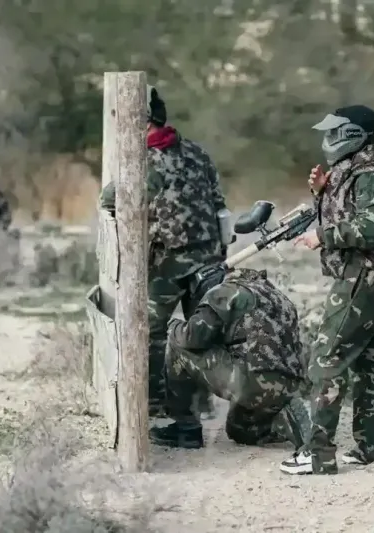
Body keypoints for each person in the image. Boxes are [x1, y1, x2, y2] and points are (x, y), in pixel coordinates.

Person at [278, 105, 374, 476]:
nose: (328, 139)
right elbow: (350, 212)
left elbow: (371, 228)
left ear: (352, 134)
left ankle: (317, 454)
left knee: (326, 357)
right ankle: (372, 448)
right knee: (369, 359)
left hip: (363, 275)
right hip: (372, 275)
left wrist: (322, 236)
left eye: (335, 132)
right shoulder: (360, 164)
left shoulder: (369, 171)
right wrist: (321, 192)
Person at [100, 84, 230, 417]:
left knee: (151, 332)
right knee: (202, 332)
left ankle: (154, 404)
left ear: (143, 122)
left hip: (166, 261)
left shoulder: (144, 160)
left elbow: (109, 198)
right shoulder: (197, 152)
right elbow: (219, 204)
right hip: (209, 257)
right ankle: (200, 404)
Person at [150, 264, 310, 449]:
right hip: (289, 386)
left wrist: (172, 326)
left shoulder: (224, 291)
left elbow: (191, 337)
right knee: (239, 431)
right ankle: (282, 418)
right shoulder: (277, 297)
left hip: (253, 384)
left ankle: (186, 429)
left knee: (176, 340)